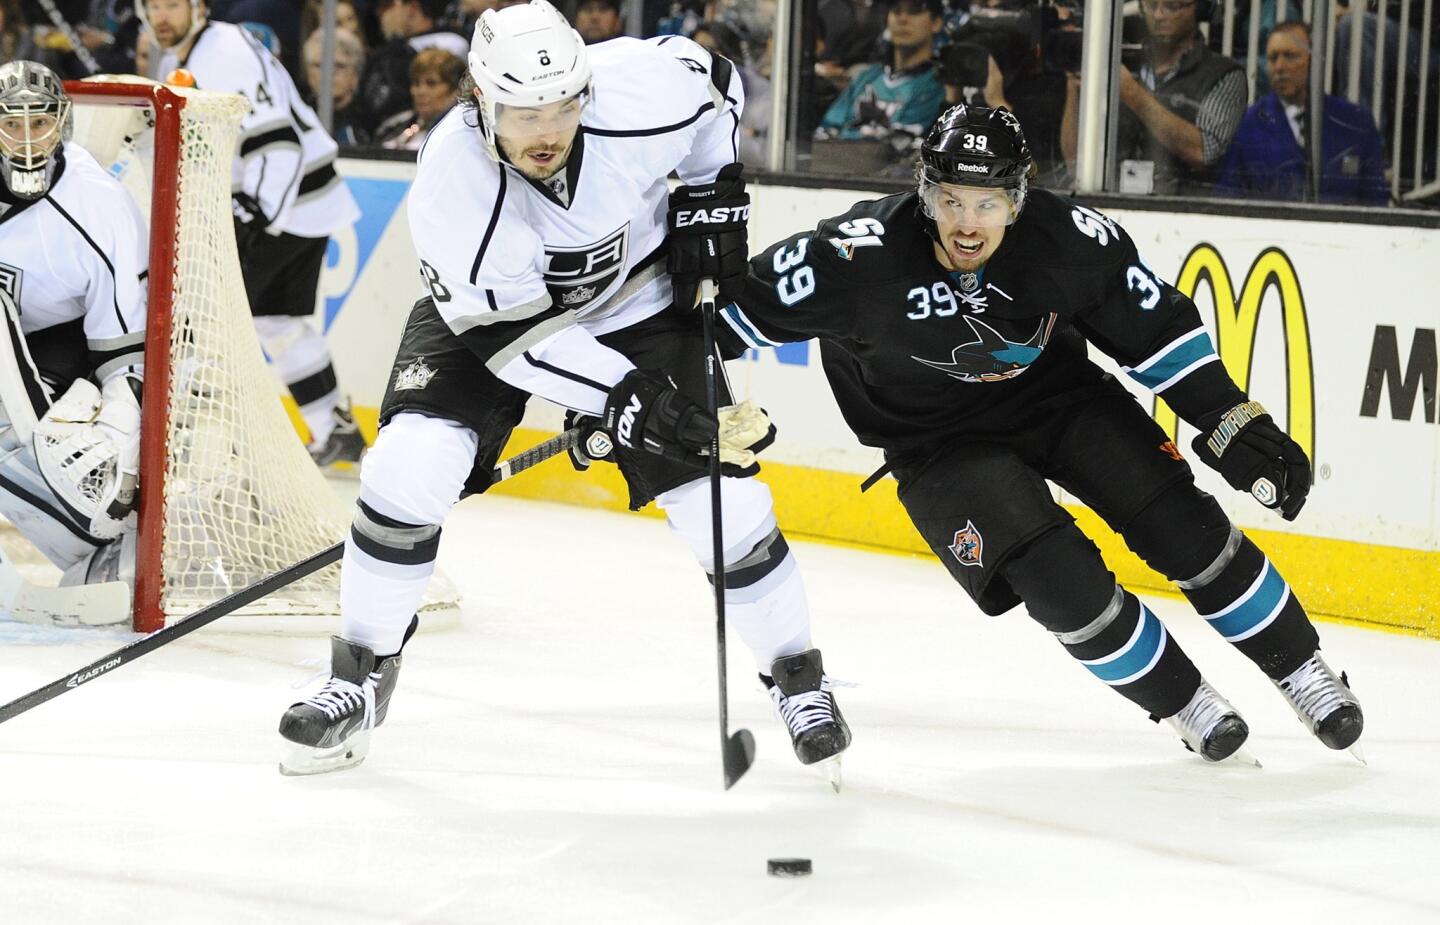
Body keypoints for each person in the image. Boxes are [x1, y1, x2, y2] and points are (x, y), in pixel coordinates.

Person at [276, 0, 850, 777]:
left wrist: (716, 186)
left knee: (726, 500)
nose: (545, 131)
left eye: (561, 107)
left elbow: (718, 86)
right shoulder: (453, 183)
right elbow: (520, 344)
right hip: (500, 320)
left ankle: (798, 679)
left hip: (640, 297)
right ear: (479, 99)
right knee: (410, 463)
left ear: (585, 91)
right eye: (520, 112)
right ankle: (359, 674)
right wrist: (629, 397)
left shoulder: (641, 89)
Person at [724, 103, 1364, 763]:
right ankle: (1185, 700)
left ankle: (1301, 670)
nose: (966, 225)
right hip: (937, 443)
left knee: (1185, 529)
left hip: (1059, 401)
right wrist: (665, 389)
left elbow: (1156, 330)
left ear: (1018, 197)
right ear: (925, 190)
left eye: (987, 203)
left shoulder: (1068, 240)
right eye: (950, 200)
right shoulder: (856, 255)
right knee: (1062, 582)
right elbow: (722, 313)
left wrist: (1229, 418)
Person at [139, 0, 367, 469]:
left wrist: (252, 218)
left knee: (202, 326)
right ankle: (334, 429)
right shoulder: (196, 50)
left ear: (197, 7)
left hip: (284, 202)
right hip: (306, 201)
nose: (161, 16)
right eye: (152, 6)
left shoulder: (220, 52)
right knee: (275, 321)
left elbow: (276, 144)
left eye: (171, 5)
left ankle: (188, 449)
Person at [0, 61, 146, 618]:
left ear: (62, 124)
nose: (28, 138)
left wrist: (121, 451)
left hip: (62, 348)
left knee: (71, 474)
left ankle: (99, 554)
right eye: (13, 124)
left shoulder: (99, 206)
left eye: (40, 123)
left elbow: (123, 354)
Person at [1062, 0, 1246, 196]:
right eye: (1151, 6)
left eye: (1172, 6)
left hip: (1184, 213)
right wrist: (1074, 90)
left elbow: (1205, 153)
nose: (1158, 15)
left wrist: (1132, 93)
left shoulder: (1225, 74)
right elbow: (1075, 161)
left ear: (1199, 9)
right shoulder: (1120, 61)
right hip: (1112, 203)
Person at [1214, 22, 1388, 206]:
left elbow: (1376, 204)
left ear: (1313, 61)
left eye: (1290, 56)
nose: (1279, 67)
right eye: (1273, 58)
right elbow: (1226, 201)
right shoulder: (1247, 125)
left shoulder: (1356, 122)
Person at [816, 0, 945, 144]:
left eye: (915, 10)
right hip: (835, 163)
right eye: (896, 10)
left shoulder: (939, 84)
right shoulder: (868, 75)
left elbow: (900, 148)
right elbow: (826, 130)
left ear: (936, 23)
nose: (902, 19)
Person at [379, 46, 462, 149]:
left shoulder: (461, 135)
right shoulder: (394, 127)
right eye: (416, 83)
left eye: (431, 83)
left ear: (455, 90)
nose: (420, 91)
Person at [302, 26, 369, 145]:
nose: (329, 73)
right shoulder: (300, 116)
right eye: (319, 66)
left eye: (339, 66)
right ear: (308, 74)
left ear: (355, 75)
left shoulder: (368, 122)